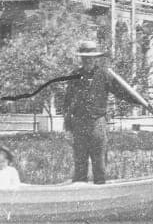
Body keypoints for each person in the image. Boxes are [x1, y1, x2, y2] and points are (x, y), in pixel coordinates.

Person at [59, 38, 142, 184]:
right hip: (79, 124)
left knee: (99, 164)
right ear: (81, 58)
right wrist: (67, 127)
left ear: (96, 58)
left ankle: (101, 192)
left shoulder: (104, 75)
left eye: (91, 58)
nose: (88, 61)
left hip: (97, 123)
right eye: (85, 58)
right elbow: (67, 103)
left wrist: (142, 102)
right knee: (80, 164)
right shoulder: (74, 76)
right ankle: (79, 199)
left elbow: (122, 92)